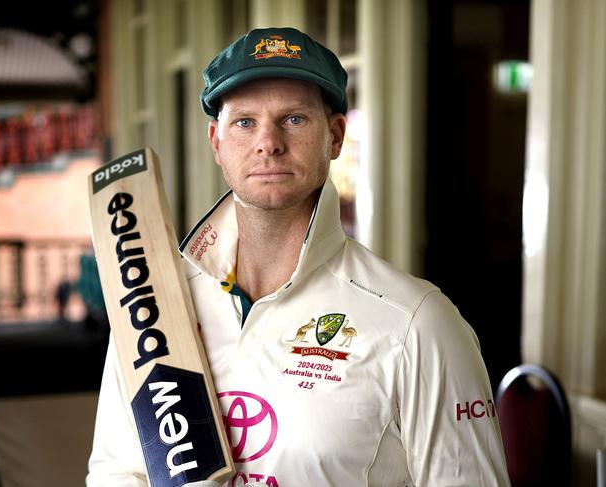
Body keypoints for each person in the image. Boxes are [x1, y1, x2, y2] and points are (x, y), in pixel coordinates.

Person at [87, 27, 510, 487]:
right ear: (217, 142)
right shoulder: (151, 306)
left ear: (335, 136)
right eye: (244, 122)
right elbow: (116, 471)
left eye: (293, 119)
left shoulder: (417, 323)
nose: (267, 142)